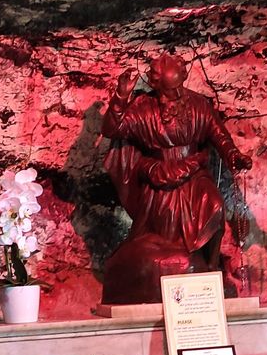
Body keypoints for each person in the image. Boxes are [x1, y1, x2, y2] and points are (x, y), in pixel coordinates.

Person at [100, 53, 252, 304]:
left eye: (178, 89)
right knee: (163, 239)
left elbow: (219, 135)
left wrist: (234, 156)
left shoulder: (198, 104)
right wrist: (121, 97)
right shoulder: (143, 107)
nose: (173, 96)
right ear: (157, 85)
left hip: (193, 173)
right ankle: (180, 264)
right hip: (160, 178)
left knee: (215, 206)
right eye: (168, 91)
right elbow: (113, 129)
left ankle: (212, 267)